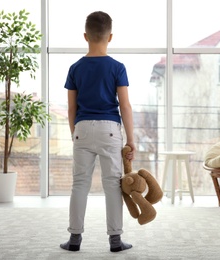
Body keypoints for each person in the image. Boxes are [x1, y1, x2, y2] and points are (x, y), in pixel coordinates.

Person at [60, 11, 136, 252]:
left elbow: (71, 107)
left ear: (85, 36)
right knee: (112, 184)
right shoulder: (117, 67)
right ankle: (115, 240)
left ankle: (74, 239)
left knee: (79, 183)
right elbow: (124, 105)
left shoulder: (75, 68)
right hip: (109, 129)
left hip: (82, 127)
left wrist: (76, 133)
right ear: (110, 37)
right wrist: (131, 140)